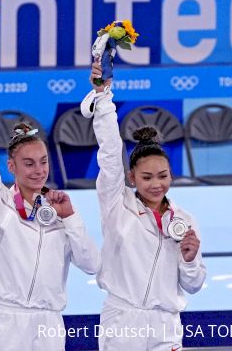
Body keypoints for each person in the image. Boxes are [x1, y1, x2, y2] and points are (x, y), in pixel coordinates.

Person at [0, 49, 101, 350]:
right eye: (29, 163)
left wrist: (71, 218)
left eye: (43, 161)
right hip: (7, 322)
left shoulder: (59, 207)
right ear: (11, 166)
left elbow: (92, 264)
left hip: (50, 323)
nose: (39, 171)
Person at [81, 61, 206, 350]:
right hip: (123, 322)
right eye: (146, 177)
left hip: (167, 326)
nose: (155, 184)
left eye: (162, 176)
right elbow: (110, 155)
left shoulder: (185, 219)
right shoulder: (117, 204)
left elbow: (195, 284)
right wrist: (104, 99)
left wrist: (189, 260)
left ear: (171, 175)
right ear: (131, 177)